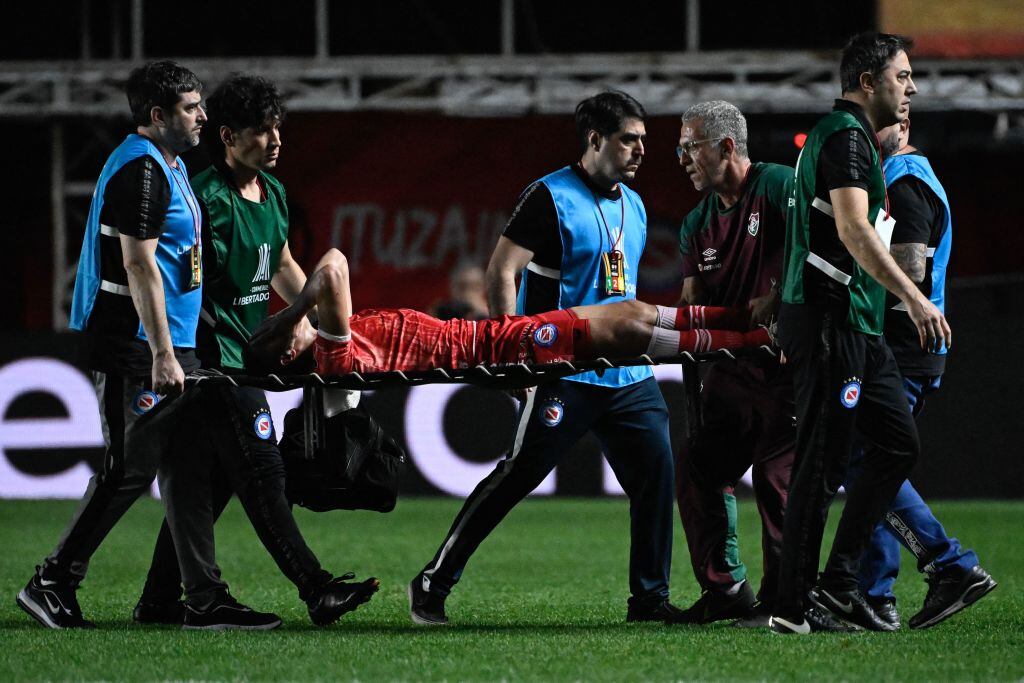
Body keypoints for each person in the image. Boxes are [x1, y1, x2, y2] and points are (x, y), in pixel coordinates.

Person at [402, 91, 692, 626]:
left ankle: (649, 601)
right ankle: (431, 582)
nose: (639, 151)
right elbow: (501, 270)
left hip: (627, 374)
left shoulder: (636, 203)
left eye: (643, 141)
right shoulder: (548, 196)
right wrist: (513, 352)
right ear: (595, 140)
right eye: (629, 139)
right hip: (563, 370)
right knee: (516, 477)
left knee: (658, 478)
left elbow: (620, 290)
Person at [133, 74, 380, 630]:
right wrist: (273, 328)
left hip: (244, 359)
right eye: (261, 130)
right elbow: (184, 289)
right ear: (226, 135)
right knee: (263, 469)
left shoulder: (273, 193)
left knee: (209, 482)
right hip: (212, 360)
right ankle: (316, 589)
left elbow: (284, 266)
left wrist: (319, 324)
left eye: (277, 128)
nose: (275, 140)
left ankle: (157, 601)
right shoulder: (203, 199)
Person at [16, 61, 216, 629]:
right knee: (126, 470)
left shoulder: (168, 166)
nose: (202, 115)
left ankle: (181, 597)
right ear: (157, 116)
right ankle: (51, 581)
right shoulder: (142, 172)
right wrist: (161, 353)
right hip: (137, 345)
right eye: (190, 107)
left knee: (188, 470)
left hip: (170, 343)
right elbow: (138, 264)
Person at [771, 32, 951, 635]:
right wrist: (914, 297)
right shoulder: (847, 138)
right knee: (822, 465)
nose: (912, 88)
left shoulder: (848, 143)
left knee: (898, 447)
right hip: (830, 321)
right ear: (867, 83)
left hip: (855, 324)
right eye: (902, 76)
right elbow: (853, 230)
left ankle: (842, 584)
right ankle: (795, 609)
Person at [848, 117, 995, 630]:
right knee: (872, 461)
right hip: (909, 348)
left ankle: (948, 564)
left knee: (867, 460)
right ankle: (874, 595)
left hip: (902, 348)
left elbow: (907, 276)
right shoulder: (901, 177)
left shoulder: (905, 184)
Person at [250, 249, 772, 376]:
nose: (289, 318)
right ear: (289, 346)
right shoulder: (332, 354)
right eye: (283, 327)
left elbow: (328, 266)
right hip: (492, 351)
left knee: (628, 309)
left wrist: (294, 314)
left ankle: (744, 317)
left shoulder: (325, 338)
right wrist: (295, 310)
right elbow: (334, 268)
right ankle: (757, 342)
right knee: (631, 332)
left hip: (489, 335)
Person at [671, 100, 795, 627]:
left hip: (786, 371)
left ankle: (785, 601)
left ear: (725, 147)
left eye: (689, 147)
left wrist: (784, 296)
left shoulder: (780, 186)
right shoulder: (696, 223)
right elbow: (692, 302)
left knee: (776, 482)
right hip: (730, 377)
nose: (681, 159)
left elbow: (827, 246)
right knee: (699, 469)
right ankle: (728, 591)